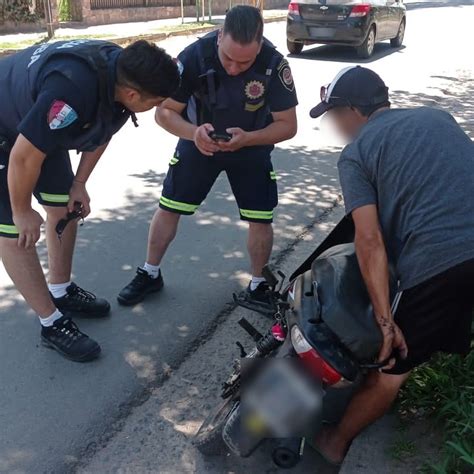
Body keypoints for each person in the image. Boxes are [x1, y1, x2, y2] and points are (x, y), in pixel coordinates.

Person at [308, 66, 474, 465]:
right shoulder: (438, 117)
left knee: (391, 363)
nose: (334, 125)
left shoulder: (357, 153)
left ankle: (335, 441)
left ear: (352, 111)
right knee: (440, 319)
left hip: (441, 261)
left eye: (333, 115)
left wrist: (386, 322)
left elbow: (368, 240)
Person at [0, 39, 180, 362]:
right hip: (6, 129)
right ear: (134, 95)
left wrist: (79, 183)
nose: (156, 108)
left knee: (65, 206)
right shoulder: (72, 90)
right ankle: (51, 323)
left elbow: (104, 126)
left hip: (36, 119)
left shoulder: (119, 71)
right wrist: (21, 209)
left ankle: (61, 291)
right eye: (154, 103)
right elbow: (23, 158)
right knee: (13, 232)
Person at [117, 6, 298, 306]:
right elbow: (163, 113)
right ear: (219, 36)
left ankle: (257, 286)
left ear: (260, 46)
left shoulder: (274, 64)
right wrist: (193, 133)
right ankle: (150, 273)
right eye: (228, 58)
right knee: (169, 206)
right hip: (198, 142)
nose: (234, 68)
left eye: (245, 62)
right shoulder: (194, 56)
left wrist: (249, 139)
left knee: (261, 218)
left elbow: (288, 125)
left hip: (251, 147)